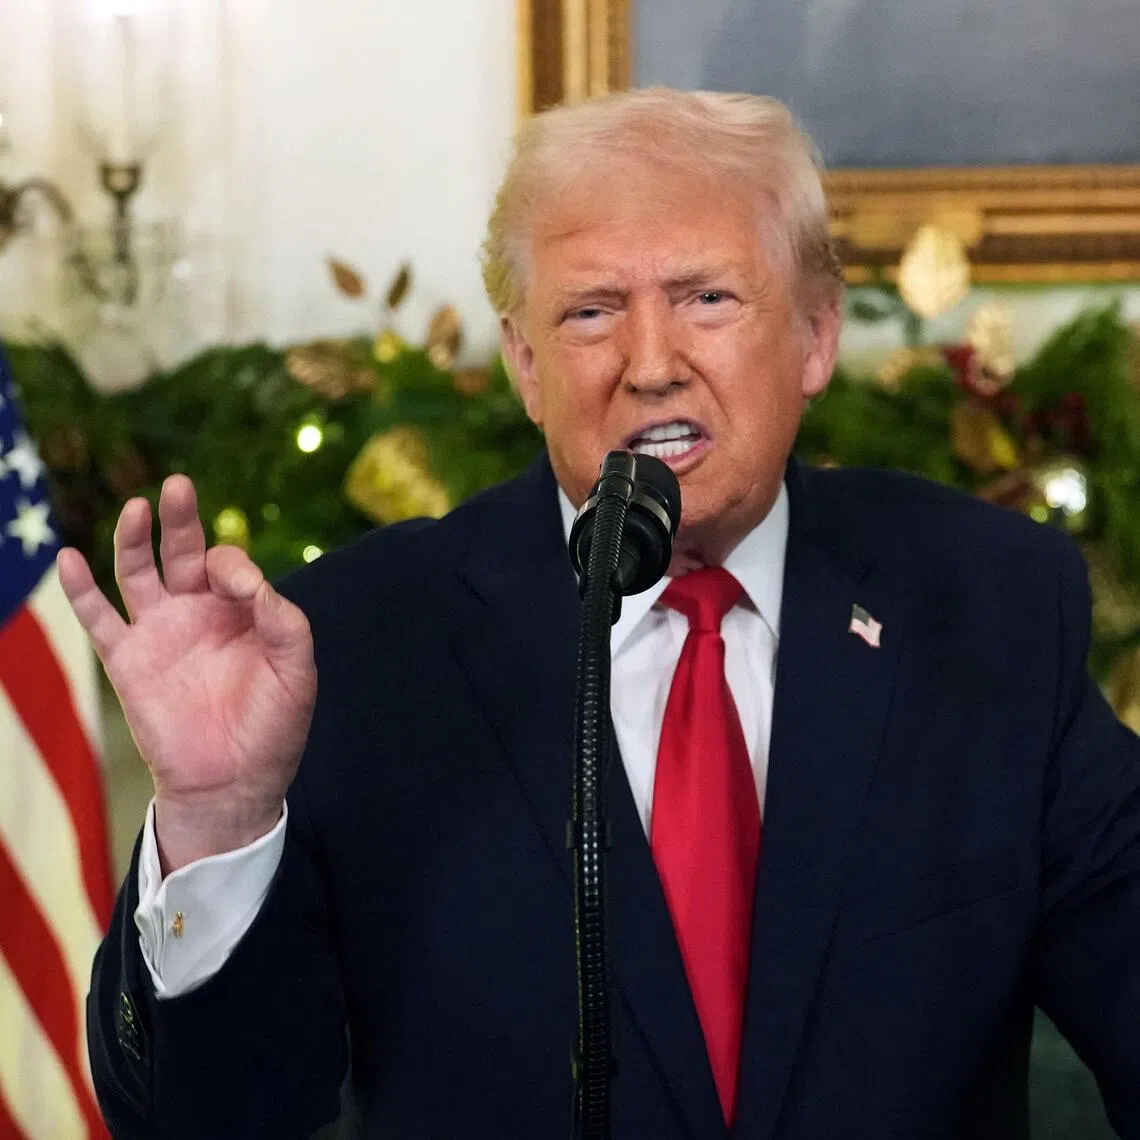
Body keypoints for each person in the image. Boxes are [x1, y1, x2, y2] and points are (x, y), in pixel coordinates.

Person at [69, 89, 1140, 1139]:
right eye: (591, 313)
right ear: (527, 367)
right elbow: (207, 1120)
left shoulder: (987, 601)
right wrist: (217, 820)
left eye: (708, 298)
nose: (652, 365)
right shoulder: (357, 640)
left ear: (817, 338)